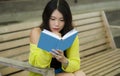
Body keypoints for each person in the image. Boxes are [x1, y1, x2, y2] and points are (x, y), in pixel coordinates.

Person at [29, 0, 86, 76]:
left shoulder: (70, 35)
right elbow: (37, 64)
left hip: (62, 71)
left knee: (80, 74)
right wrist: (49, 45)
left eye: (61, 20)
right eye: (52, 19)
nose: (56, 24)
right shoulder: (37, 33)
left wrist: (63, 60)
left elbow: (76, 64)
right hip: (44, 73)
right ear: (47, 18)